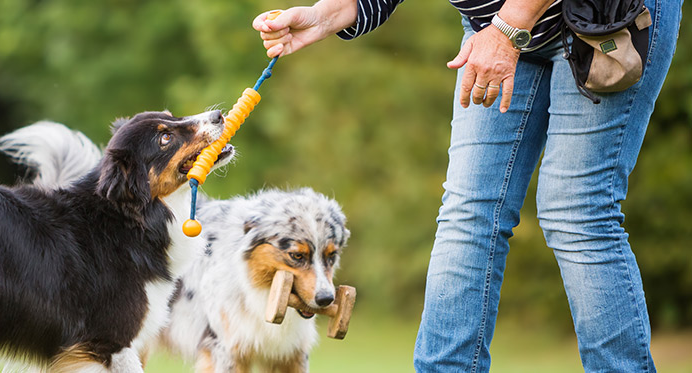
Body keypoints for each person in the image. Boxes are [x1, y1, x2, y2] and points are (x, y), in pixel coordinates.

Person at [253, 0, 681, 371]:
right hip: (496, 25)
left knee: (576, 211)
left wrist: (508, 29)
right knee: (467, 214)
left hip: (605, 19)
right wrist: (324, 16)